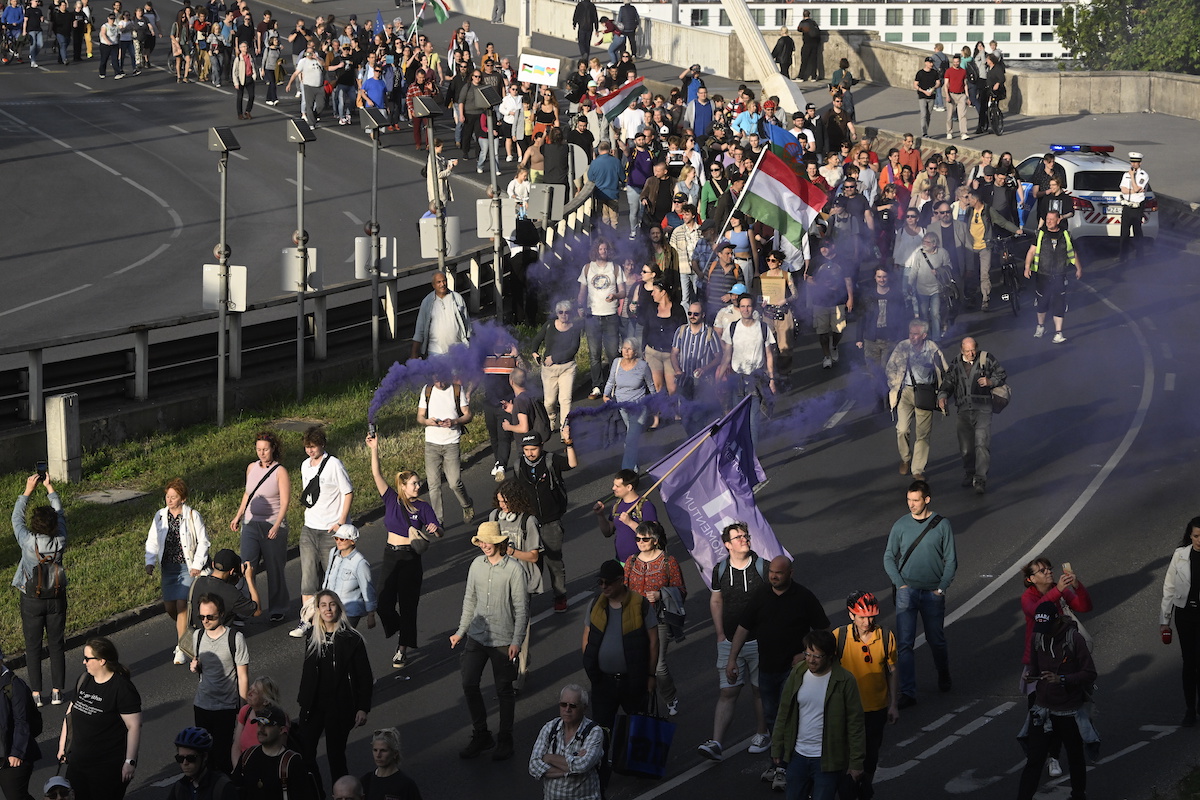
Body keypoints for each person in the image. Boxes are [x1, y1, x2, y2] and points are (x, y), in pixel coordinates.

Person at [727, 556, 829, 787]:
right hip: (767, 669)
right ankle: (779, 763)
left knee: (788, 717)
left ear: (790, 573)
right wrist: (732, 658)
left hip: (794, 672)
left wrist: (806, 655)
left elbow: (824, 631)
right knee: (772, 717)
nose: (773, 576)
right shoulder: (761, 595)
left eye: (779, 573)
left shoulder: (804, 597)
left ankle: (786, 766)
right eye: (771, 572)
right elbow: (743, 627)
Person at [450, 522, 528, 761]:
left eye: (488, 541)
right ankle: (482, 733)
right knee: (469, 683)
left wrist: (517, 640)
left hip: (503, 639)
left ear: (498, 542)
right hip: (477, 635)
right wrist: (460, 631)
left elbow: (521, 609)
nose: (484, 545)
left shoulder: (514, 570)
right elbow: (469, 600)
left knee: (504, 690)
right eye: (481, 541)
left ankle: (506, 740)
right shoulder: (476, 565)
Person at [367, 433, 441, 669]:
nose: (418, 486)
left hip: (411, 558)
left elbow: (439, 531)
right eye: (414, 483)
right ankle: (403, 628)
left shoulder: (424, 507)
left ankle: (402, 649)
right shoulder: (391, 499)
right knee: (383, 602)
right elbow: (376, 474)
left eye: (419, 483)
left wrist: (434, 529)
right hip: (391, 555)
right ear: (403, 486)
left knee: (409, 605)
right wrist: (374, 448)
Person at [698, 522, 770, 762]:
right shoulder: (720, 570)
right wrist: (720, 634)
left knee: (760, 690)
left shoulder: (762, 568)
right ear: (727, 545)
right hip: (729, 642)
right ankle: (717, 742)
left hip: (761, 642)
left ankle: (762, 733)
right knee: (728, 691)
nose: (744, 539)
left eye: (745, 535)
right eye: (738, 537)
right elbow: (716, 601)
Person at [882, 480, 956, 708]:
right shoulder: (901, 525)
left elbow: (951, 560)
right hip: (907, 591)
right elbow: (888, 556)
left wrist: (941, 588)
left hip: (933, 592)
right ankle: (908, 692)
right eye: (908, 500)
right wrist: (900, 584)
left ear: (927, 499)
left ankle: (943, 673)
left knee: (937, 640)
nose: (911, 505)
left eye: (915, 500)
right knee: (904, 644)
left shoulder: (942, 525)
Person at [768, 630, 865, 800]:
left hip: (828, 761)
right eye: (807, 654)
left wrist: (856, 763)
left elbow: (855, 724)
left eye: (817, 656)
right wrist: (777, 746)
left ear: (830, 656)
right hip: (798, 757)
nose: (811, 660)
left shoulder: (845, 680)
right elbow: (784, 712)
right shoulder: (798, 673)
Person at [1017, 602, 1096, 800]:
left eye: (1047, 628)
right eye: (1040, 629)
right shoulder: (1038, 637)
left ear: (1057, 621)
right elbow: (1034, 669)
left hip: (1069, 711)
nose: (1044, 634)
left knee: (1074, 756)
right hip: (1043, 709)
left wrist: (1062, 679)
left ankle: (1078, 795)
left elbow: (1089, 673)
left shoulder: (1074, 639)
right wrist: (1030, 677)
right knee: (1034, 760)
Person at [297, 590, 373, 784]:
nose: (328, 609)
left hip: (340, 707)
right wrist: (303, 702)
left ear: (338, 607)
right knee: (305, 753)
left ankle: (342, 794)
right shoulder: (312, 637)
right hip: (314, 706)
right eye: (323, 605)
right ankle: (316, 794)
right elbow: (308, 673)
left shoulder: (352, 638)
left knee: (336, 757)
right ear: (318, 610)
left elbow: (364, 676)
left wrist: (363, 707)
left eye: (332, 604)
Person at [56, 637, 142, 800]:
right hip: (79, 763)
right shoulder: (84, 680)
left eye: (88, 658)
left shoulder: (122, 688)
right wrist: (62, 747)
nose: (84, 662)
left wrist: (129, 761)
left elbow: (134, 726)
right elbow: (70, 714)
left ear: (102, 660)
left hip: (106, 767)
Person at [832, 592, 898, 800]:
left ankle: (864, 786)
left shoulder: (886, 637)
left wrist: (894, 703)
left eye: (871, 617)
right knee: (844, 756)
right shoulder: (838, 637)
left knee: (870, 757)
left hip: (875, 708)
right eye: (862, 617)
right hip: (846, 709)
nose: (867, 622)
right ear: (851, 615)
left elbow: (892, 671)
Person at [582, 560, 658, 732]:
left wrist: (651, 676)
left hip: (633, 681)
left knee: (637, 728)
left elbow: (653, 641)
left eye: (607, 582)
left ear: (620, 580)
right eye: (600, 582)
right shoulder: (595, 605)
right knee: (600, 731)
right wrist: (590, 665)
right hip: (603, 682)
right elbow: (587, 636)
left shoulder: (640, 605)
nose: (603, 586)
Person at [12, 472, 67, 708]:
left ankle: (36, 693)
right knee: (56, 644)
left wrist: (27, 490)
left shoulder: (27, 541)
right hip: (56, 597)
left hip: (31, 598)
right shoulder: (61, 540)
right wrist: (50, 488)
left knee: (32, 646)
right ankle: (57, 692)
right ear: (54, 524)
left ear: (35, 525)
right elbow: (61, 513)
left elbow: (16, 519)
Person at [293, 426, 353, 638]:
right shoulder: (304, 466)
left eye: (314, 446)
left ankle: (338, 622)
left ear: (322, 445)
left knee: (333, 580)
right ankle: (307, 620)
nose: (310, 451)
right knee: (308, 579)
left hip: (330, 530)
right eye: (307, 447)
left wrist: (341, 522)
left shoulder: (334, 464)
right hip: (310, 528)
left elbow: (348, 492)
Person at [623, 520, 687, 715]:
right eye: (637, 539)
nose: (640, 542)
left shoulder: (668, 561)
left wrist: (661, 594)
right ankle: (642, 701)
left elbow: (681, 590)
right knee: (635, 664)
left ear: (656, 541)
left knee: (658, 666)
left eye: (645, 539)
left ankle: (669, 696)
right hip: (634, 620)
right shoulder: (631, 561)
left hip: (659, 619)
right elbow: (624, 590)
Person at [487, 481, 543, 691]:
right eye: (499, 501)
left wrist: (510, 551)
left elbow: (534, 556)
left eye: (506, 502)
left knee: (521, 627)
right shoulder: (493, 518)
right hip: (499, 579)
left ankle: (520, 672)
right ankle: (512, 665)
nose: (502, 506)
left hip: (521, 580)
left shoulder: (528, 521)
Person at [229, 432, 290, 623]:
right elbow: (247, 495)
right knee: (246, 566)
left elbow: (286, 501)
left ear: (273, 449)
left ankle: (278, 607)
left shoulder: (280, 471)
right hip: (250, 523)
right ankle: (245, 608)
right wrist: (238, 516)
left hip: (272, 524)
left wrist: (277, 525)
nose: (261, 453)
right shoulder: (251, 468)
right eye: (258, 449)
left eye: (265, 449)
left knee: (275, 568)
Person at [516, 432, 578, 613]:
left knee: (554, 562)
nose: (530, 453)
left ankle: (560, 596)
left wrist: (569, 444)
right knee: (530, 564)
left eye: (533, 449)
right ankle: (525, 602)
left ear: (541, 446)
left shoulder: (551, 460)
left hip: (551, 521)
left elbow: (572, 464)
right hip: (530, 523)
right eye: (526, 449)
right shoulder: (518, 465)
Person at [937, 337, 1007, 494]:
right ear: (962, 350)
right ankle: (969, 472)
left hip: (983, 409)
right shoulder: (955, 364)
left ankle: (980, 479)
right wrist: (942, 396)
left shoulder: (986, 358)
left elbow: (1002, 374)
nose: (971, 353)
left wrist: (991, 382)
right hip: (963, 412)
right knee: (966, 448)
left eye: (973, 349)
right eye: (967, 351)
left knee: (982, 443)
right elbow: (948, 382)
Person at [189, 595, 249, 776]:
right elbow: (201, 667)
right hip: (202, 705)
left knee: (223, 757)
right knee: (204, 758)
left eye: (210, 617)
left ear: (221, 614)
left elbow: (243, 676)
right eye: (201, 617)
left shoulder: (235, 638)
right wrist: (195, 667)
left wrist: (244, 709)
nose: (205, 621)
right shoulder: (197, 636)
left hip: (226, 707)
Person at [885, 320, 948, 481]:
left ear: (924, 335)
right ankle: (905, 458)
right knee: (902, 429)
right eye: (910, 333)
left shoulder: (932, 349)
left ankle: (917, 469)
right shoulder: (902, 347)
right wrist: (894, 384)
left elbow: (945, 371)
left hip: (925, 394)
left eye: (915, 334)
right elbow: (890, 367)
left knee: (923, 434)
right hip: (905, 392)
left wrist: (942, 394)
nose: (912, 337)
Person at [528, 684, 606, 800]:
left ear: (584, 708)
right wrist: (571, 770)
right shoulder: (550, 728)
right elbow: (533, 766)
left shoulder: (594, 732)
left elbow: (582, 765)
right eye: (563, 704)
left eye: (573, 706)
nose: (567, 709)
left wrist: (549, 758)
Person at [417, 375, 475, 526]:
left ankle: (466, 505)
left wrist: (454, 421)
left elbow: (468, 414)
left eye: (442, 379)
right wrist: (427, 421)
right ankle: (438, 520)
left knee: (454, 482)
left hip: (451, 442)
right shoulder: (427, 390)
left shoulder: (456, 389)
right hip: (431, 443)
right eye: (436, 380)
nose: (440, 383)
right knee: (433, 485)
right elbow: (420, 417)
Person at [233, 704, 318, 800]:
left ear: (281, 730)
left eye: (267, 724)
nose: (261, 729)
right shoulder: (248, 756)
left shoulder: (292, 763)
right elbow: (235, 790)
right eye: (259, 723)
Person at [1162, 518, 1200, 727]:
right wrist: (1164, 620)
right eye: (1196, 536)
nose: (1199, 540)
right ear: (1190, 536)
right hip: (1184, 615)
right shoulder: (1180, 556)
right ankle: (1190, 710)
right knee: (1189, 663)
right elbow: (1169, 587)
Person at [1024, 210, 1082, 344]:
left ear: (1058, 220)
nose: (1049, 221)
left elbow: (1072, 253)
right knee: (1042, 302)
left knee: (1059, 304)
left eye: (1051, 219)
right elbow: (1031, 251)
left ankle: (1058, 333)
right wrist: (1027, 267)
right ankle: (1041, 326)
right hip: (1043, 274)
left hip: (1060, 275)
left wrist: (1078, 268)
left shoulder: (1066, 235)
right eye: (1047, 219)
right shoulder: (1040, 234)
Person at [578, 240, 625, 399]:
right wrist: (579, 306)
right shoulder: (587, 268)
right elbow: (582, 291)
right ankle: (597, 386)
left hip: (610, 315)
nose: (603, 251)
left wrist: (615, 296)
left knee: (612, 353)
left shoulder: (616, 268)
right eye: (600, 248)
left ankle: (614, 385)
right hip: (592, 316)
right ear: (595, 251)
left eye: (605, 248)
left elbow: (623, 292)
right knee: (594, 354)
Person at [602, 339, 657, 471]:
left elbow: (651, 385)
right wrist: (605, 395)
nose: (626, 351)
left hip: (639, 407)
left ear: (636, 351)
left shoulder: (643, 366)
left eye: (630, 349)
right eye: (624, 348)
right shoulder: (616, 362)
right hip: (622, 406)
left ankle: (628, 471)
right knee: (630, 436)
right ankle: (633, 464)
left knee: (631, 438)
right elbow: (611, 381)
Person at [530, 300, 583, 433]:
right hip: (549, 370)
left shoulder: (575, 328)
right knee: (549, 401)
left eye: (567, 312)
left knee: (565, 399)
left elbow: (573, 349)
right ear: (557, 313)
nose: (564, 315)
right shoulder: (549, 325)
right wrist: (534, 353)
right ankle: (551, 417)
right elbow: (536, 340)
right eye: (561, 312)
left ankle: (564, 429)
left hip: (567, 367)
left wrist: (554, 358)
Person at [593, 469, 659, 565]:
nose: (613, 488)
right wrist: (600, 515)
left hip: (642, 563)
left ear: (629, 487)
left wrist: (630, 523)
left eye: (617, 486)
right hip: (621, 562)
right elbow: (607, 532)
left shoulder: (646, 506)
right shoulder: (617, 506)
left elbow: (652, 535)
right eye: (614, 485)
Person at [0, 645, 41, 800]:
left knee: (16, 796)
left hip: (13, 754)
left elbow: (22, 722)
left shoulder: (14, 685)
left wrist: (16, 753)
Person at [804, 239, 852, 371]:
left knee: (839, 330)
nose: (823, 250)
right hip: (820, 302)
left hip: (839, 301)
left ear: (833, 246)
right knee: (822, 332)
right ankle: (826, 356)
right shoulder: (816, 261)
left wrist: (850, 298)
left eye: (826, 246)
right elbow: (808, 278)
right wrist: (821, 286)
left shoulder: (843, 260)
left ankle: (834, 346)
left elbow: (848, 280)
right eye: (821, 247)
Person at [189, 549, 259, 629]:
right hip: (219, 638)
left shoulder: (197, 582)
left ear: (212, 564)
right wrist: (249, 579)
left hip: (198, 635)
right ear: (232, 571)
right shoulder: (232, 593)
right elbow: (257, 611)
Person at [411, 271, 472, 359]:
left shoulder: (457, 298)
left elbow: (467, 326)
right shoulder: (427, 302)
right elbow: (419, 330)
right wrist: (414, 353)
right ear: (433, 285)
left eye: (444, 281)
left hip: (457, 351)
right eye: (439, 282)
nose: (442, 284)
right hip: (435, 352)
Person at [903, 233, 950, 342]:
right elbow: (914, 270)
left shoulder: (943, 253)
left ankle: (936, 339)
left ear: (934, 243)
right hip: (922, 290)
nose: (924, 244)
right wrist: (910, 284)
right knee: (923, 315)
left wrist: (938, 271)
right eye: (923, 242)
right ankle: (925, 338)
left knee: (935, 314)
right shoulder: (920, 254)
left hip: (937, 289)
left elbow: (948, 267)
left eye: (927, 242)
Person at [166, 727, 237, 800]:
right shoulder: (179, 788)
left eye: (191, 758)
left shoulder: (222, 787)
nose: (185, 763)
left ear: (204, 756)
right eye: (180, 758)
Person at [231, 676, 282, 767]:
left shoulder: (278, 720)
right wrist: (238, 770)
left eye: (255, 692)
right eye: (250, 689)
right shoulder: (245, 711)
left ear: (265, 701)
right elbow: (236, 746)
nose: (249, 693)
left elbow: (278, 754)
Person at [360, 727, 423, 800]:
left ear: (395, 753)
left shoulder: (406, 785)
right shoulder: (366, 781)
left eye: (383, 750)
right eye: (375, 750)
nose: (378, 755)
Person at [1118, 152, 1150, 262]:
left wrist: (1132, 177)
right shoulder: (1125, 174)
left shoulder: (1143, 175)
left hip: (1137, 207)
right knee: (1124, 233)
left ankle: (1140, 255)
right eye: (1132, 162)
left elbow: (1137, 188)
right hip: (1127, 205)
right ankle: (1123, 257)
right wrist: (1133, 191)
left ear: (1140, 163)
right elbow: (1123, 189)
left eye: (1136, 162)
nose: (1133, 164)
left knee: (1137, 231)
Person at [944, 53, 970, 140]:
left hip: (961, 95)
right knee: (950, 115)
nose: (956, 63)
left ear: (960, 62)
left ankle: (963, 133)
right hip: (951, 94)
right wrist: (947, 95)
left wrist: (967, 96)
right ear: (952, 62)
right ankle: (949, 131)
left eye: (957, 62)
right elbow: (946, 84)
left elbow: (965, 84)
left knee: (962, 115)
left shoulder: (963, 71)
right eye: (954, 62)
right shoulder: (949, 71)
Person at [795, 10, 820, 82]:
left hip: (807, 43)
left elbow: (799, 29)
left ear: (803, 15)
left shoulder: (803, 23)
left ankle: (801, 76)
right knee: (814, 61)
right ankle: (814, 77)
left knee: (804, 60)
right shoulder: (813, 22)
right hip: (815, 44)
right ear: (809, 15)